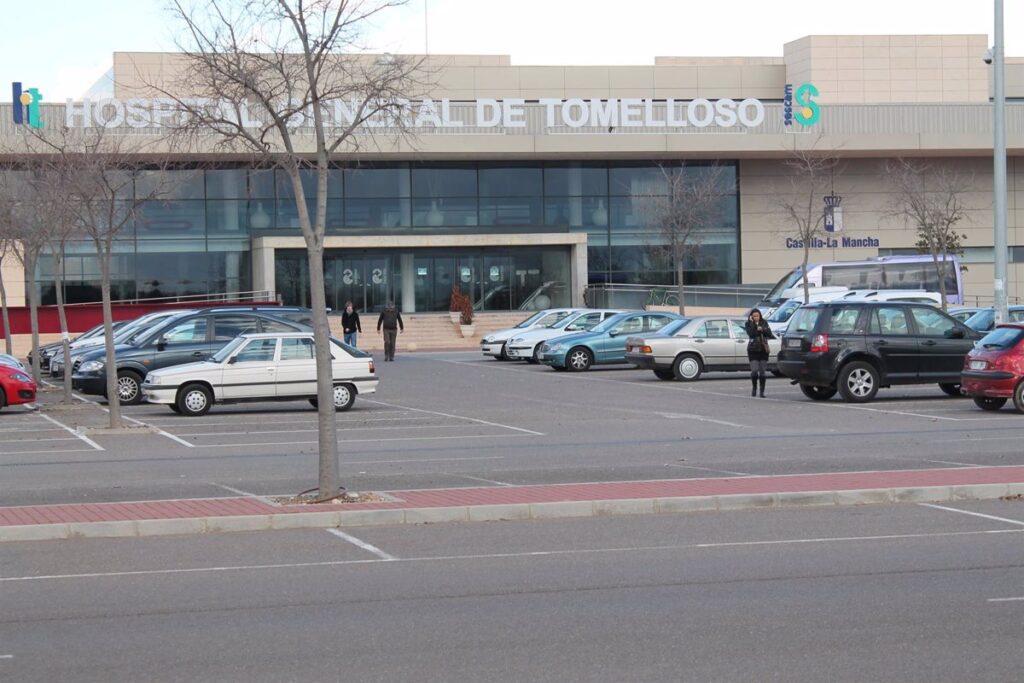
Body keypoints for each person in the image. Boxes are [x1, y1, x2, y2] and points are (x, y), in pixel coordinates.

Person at [744, 308, 776, 398]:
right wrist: (752, 324)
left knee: (762, 372)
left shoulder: (764, 322)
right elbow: (751, 333)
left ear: (760, 316)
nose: (756, 318)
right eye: (754, 316)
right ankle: (754, 388)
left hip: (763, 349)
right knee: (754, 371)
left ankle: (762, 391)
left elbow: (769, 334)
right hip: (753, 349)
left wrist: (762, 329)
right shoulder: (748, 324)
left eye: (757, 316)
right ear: (751, 317)